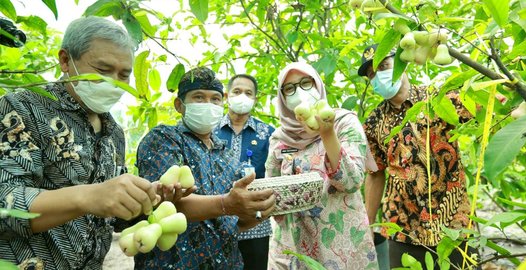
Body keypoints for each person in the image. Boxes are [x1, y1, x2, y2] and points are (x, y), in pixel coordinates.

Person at [0, 16, 159, 269]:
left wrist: (144, 201)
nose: (114, 82)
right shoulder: (22, 108)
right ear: (65, 60)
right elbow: (5, 203)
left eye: (123, 74)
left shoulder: (113, 133)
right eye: (103, 70)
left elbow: (111, 219)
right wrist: (88, 196)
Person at [135, 67, 276, 269]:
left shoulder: (225, 152)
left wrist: (255, 212)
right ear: (179, 105)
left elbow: (232, 223)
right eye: (199, 97)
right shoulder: (164, 139)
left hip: (228, 262)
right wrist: (226, 204)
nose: (208, 105)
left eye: (215, 99)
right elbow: (164, 203)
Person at [359, 44, 477, 268]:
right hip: (404, 229)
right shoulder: (373, 123)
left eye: (384, 66)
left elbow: (486, 108)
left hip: (453, 223)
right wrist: (368, 222)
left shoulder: (437, 98)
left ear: (402, 64)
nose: (378, 76)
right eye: (372, 74)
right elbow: (375, 174)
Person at [266, 62, 379, 269]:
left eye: (305, 83)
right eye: (289, 88)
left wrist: (328, 134)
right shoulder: (279, 139)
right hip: (292, 247)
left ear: (317, 85)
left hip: (341, 245)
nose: (298, 92)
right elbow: (272, 192)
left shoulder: (344, 122)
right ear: (282, 96)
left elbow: (351, 182)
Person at [214, 74, 275, 269]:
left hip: (256, 224)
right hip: (216, 222)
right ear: (226, 96)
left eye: (248, 93)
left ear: (255, 99)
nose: (242, 96)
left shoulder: (268, 133)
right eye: (237, 91)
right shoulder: (210, 130)